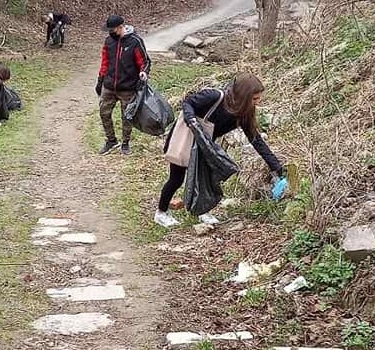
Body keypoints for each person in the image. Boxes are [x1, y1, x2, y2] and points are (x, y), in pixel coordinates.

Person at [155, 74, 286, 228]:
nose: (258, 102)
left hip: (207, 145)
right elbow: (188, 102)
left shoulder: (244, 114)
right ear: (243, 96)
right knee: (176, 178)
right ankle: (161, 213)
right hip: (188, 136)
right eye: (254, 99)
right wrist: (191, 120)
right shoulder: (215, 97)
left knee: (207, 179)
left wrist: (276, 167)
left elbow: (256, 140)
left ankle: (203, 212)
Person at [96, 15, 150, 155]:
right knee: (104, 112)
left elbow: (145, 62)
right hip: (109, 86)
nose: (110, 32)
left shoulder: (135, 41)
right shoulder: (108, 41)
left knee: (127, 117)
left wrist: (143, 73)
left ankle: (125, 143)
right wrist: (100, 80)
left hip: (128, 87)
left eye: (112, 29)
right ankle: (111, 140)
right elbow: (105, 62)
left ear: (121, 27)